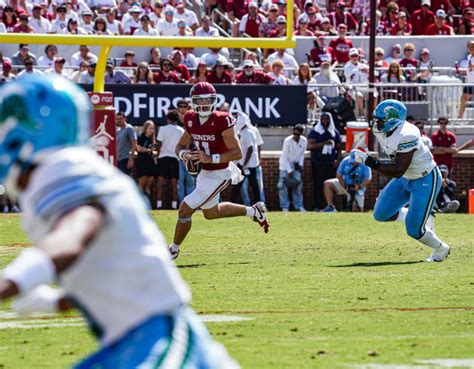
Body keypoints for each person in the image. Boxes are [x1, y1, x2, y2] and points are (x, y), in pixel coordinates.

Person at [0, 75, 239, 369]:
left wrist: (13, 279)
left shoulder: (64, 171)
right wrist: (56, 301)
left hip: (160, 336)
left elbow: (73, 234)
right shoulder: (53, 174)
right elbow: (111, 270)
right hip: (132, 340)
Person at [169, 82, 269, 259]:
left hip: (221, 173)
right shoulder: (190, 118)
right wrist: (183, 154)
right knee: (211, 213)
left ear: (214, 100)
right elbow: (179, 145)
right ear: (194, 102)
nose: (205, 104)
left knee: (185, 209)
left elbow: (237, 152)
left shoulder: (223, 120)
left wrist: (211, 158)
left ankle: (173, 249)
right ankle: (254, 211)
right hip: (204, 173)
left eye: (208, 100)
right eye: (200, 100)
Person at [352, 99, 450, 262]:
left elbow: (398, 170)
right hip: (405, 178)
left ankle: (441, 248)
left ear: (392, 120)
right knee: (381, 214)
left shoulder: (407, 134)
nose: (376, 122)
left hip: (424, 179)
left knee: (414, 230)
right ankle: (414, 214)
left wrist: (371, 162)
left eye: (380, 119)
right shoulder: (383, 130)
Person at [307, 112, 341, 210]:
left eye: (327, 119)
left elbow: (338, 148)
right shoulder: (315, 131)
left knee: (331, 184)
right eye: (323, 119)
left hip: (330, 163)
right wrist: (324, 143)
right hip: (318, 163)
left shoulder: (334, 132)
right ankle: (318, 205)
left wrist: (337, 160)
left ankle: (329, 205)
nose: (325, 121)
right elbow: (310, 146)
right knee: (318, 184)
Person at [156, 110, 184, 210]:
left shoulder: (163, 129)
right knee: (174, 184)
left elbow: (158, 144)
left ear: (168, 118)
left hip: (163, 157)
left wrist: (156, 156)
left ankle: (159, 205)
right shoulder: (181, 130)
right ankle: (174, 205)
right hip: (174, 158)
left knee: (160, 182)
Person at [230, 114, 261, 204]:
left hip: (248, 164)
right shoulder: (244, 132)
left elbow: (250, 148)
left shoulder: (248, 132)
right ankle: (231, 203)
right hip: (244, 163)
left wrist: (244, 164)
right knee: (238, 184)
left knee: (252, 185)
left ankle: (258, 203)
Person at [278, 125, 308, 212]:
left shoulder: (304, 141)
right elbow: (284, 156)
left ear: (302, 134)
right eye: (294, 133)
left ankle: (298, 206)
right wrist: (289, 169)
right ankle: (285, 207)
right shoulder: (287, 140)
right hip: (284, 166)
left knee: (298, 186)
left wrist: (301, 165)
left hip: (296, 166)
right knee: (282, 187)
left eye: (298, 134)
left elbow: (302, 154)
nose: (295, 136)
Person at [136, 120, 157, 200]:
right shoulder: (141, 137)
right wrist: (149, 150)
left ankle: (147, 203)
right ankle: (138, 203)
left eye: (153, 128)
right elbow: (139, 148)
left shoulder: (152, 139)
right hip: (142, 162)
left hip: (150, 162)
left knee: (149, 184)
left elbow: (153, 150)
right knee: (142, 183)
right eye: (150, 128)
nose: (151, 130)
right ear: (145, 128)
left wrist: (154, 153)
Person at [116, 111, 137, 176]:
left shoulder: (129, 128)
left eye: (121, 118)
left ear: (125, 119)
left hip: (126, 159)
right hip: (118, 160)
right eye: (117, 119)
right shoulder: (118, 130)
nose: (119, 120)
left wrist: (131, 159)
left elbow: (134, 143)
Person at [459, 41, 474, 119]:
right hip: (470, 82)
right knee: (464, 99)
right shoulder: (469, 57)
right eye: (470, 46)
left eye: (473, 46)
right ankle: (460, 117)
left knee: (464, 98)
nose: (471, 48)